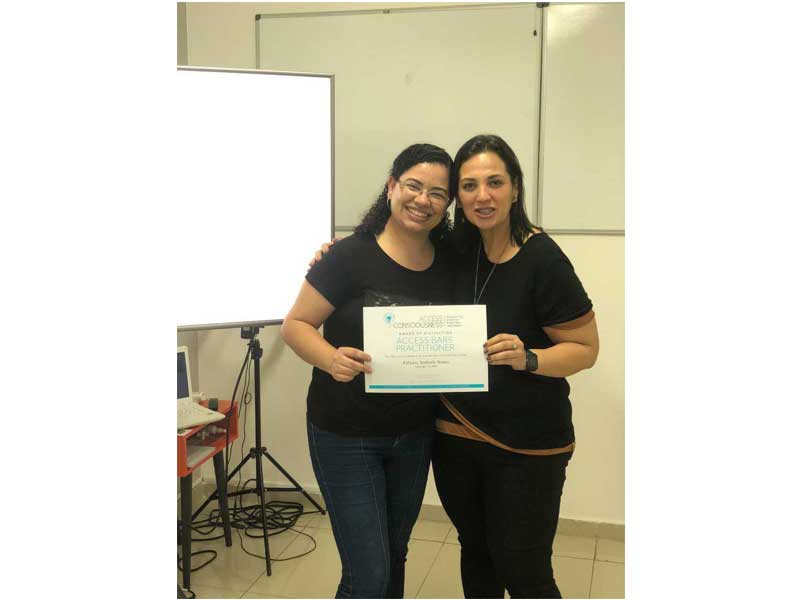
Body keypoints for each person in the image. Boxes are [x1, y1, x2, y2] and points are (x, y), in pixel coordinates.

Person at [280, 143, 456, 599]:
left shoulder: (450, 260)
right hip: (346, 434)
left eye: (438, 193)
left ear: (448, 204)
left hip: (415, 433)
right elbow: (295, 325)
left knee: (392, 556)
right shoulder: (347, 256)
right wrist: (330, 358)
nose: (423, 200)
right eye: (414, 185)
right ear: (392, 186)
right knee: (370, 573)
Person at [432, 134, 599, 599]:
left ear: (516, 188)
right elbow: (394, 248)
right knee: (476, 551)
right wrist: (332, 254)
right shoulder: (455, 248)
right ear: (457, 195)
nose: (482, 196)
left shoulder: (542, 259)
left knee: (523, 568)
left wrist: (529, 357)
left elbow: (585, 348)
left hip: (527, 445)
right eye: (469, 186)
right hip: (455, 434)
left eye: (495, 182)